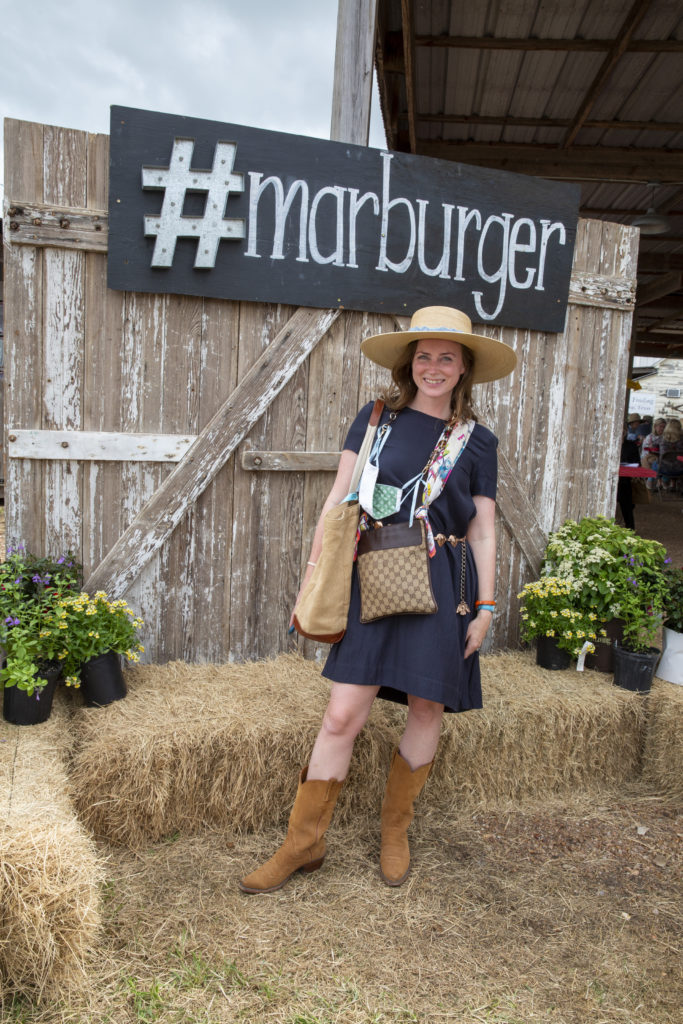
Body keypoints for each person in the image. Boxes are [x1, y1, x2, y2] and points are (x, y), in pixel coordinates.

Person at [239, 306, 517, 895]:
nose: (434, 367)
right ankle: (302, 843)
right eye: (424, 355)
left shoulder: (477, 443)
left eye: (447, 357)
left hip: (443, 587)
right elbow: (338, 501)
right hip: (375, 577)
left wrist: (487, 607)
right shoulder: (375, 421)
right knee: (343, 713)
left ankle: (396, 831)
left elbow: (483, 529)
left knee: (425, 709)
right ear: (409, 363)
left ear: (464, 367)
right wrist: (315, 574)